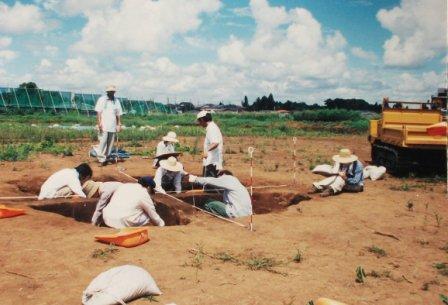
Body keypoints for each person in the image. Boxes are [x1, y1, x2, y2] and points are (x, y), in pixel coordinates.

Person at [188, 170, 252, 218]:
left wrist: (196, 179)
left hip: (236, 213)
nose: (218, 179)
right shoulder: (236, 183)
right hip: (247, 213)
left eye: (218, 177)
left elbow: (212, 180)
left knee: (208, 202)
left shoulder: (228, 178)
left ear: (223, 174)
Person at [95, 85, 123, 166]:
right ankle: (101, 159)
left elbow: (118, 114)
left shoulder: (116, 101)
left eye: (113, 91)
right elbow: (99, 112)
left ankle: (107, 158)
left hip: (112, 125)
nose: (112, 93)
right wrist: (99, 123)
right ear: (107, 92)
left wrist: (119, 124)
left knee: (110, 143)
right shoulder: (102, 99)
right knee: (103, 142)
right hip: (104, 125)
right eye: (110, 91)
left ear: (114, 92)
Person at [196, 110, 223, 177]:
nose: (199, 123)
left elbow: (215, 143)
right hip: (212, 161)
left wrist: (206, 151)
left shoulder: (211, 128)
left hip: (212, 162)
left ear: (202, 119)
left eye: (199, 121)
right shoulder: (211, 127)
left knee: (209, 184)